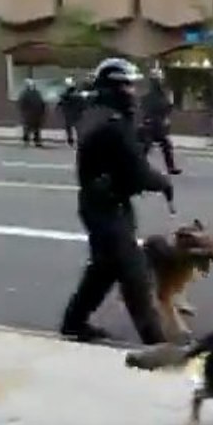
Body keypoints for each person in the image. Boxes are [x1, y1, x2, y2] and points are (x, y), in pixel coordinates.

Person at [59, 57, 173, 344]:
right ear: (113, 89)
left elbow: (122, 158)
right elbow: (136, 172)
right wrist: (163, 183)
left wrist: (141, 139)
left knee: (103, 268)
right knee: (133, 274)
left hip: (100, 203)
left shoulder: (96, 114)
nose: (133, 92)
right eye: (127, 86)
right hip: (107, 208)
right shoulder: (112, 123)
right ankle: (156, 342)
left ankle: (74, 322)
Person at [141, 67, 179, 174]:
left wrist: (168, 109)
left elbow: (166, 107)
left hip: (158, 123)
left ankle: (171, 167)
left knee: (165, 144)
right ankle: (137, 165)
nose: (158, 81)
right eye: (157, 79)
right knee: (146, 146)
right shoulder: (152, 93)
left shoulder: (162, 93)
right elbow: (146, 106)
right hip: (150, 123)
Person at [18, 78, 46, 147]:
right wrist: (24, 112)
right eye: (30, 85)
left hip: (37, 113)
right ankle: (26, 140)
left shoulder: (37, 93)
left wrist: (42, 111)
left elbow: (41, 102)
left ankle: (37, 141)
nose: (32, 86)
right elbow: (21, 104)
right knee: (27, 127)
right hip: (28, 113)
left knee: (36, 128)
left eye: (33, 85)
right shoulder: (24, 93)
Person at [58, 76, 84, 146]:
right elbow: (82, 103)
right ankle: (78, 140)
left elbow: (62, 102)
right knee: (77, 127)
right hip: (76, 113)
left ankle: (70, 140)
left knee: (69, 127)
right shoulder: (78, 93)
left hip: (69, 113)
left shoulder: (65, 95)